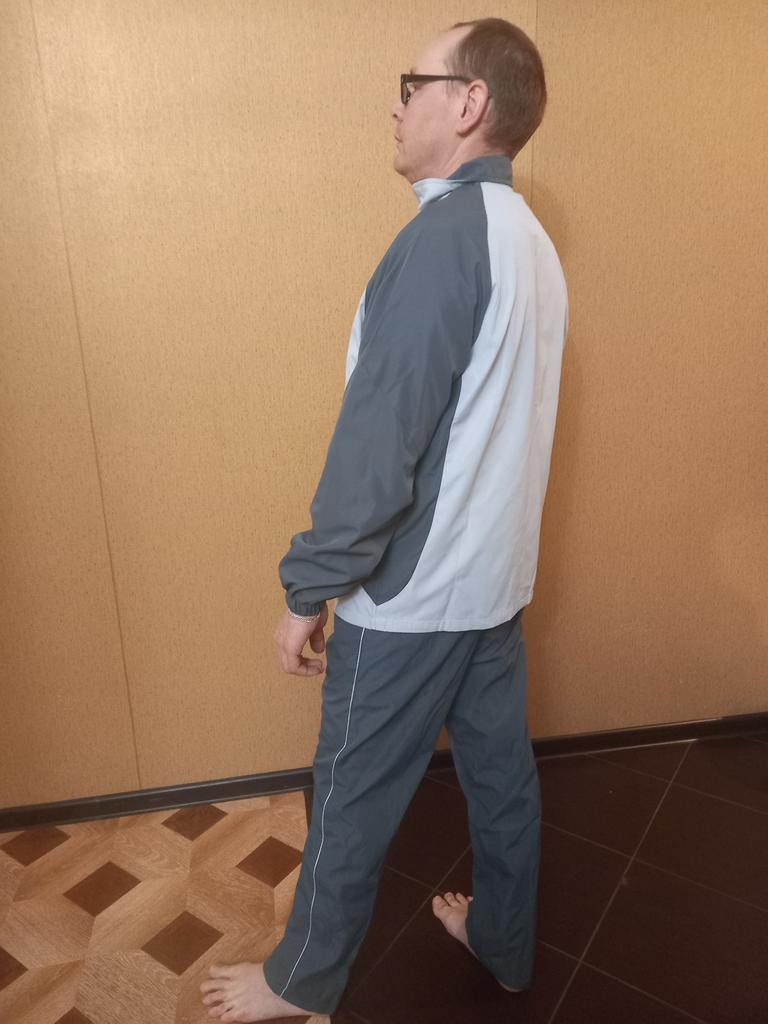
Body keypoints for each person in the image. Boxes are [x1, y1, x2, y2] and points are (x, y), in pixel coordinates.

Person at [200, 16, 568, 1022]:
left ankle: (300, 984)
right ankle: (505, 944)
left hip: (414, 598)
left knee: (351, 794)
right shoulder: (529, 242)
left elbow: (380, 445)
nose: (397, 105)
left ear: (470, 103)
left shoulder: (443, 243)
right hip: (493, 583)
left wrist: (309, 588)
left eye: (415, 84)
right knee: (501, 781)